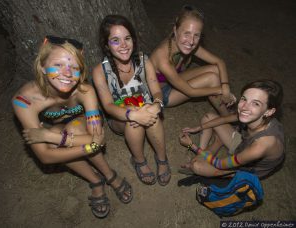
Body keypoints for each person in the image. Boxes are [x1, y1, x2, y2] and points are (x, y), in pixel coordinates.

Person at [12, 35, 133, 218]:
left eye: (74, 67)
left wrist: (52, 137)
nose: (68, 73)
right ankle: (95, 181)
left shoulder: (85, 91)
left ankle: (109, 175)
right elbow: (45, 156)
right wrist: (84, 144)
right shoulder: (24, 101)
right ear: (42, 66)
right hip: (64, 131)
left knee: (65, 132)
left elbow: (98, 140)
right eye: (59, 65)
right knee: (54, 139)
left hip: (81, 124)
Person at [93, 15, 171, 186]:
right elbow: (107, 106)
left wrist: (157, 104)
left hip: (146, 107)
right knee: (134, 121)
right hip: (120, 119)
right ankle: (139, 160)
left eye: (127, 38)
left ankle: (162, 158)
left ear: (133, 40)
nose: (123, 45)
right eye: (115, 40)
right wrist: (132, 114)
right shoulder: (100, 71)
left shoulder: (144, 60)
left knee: (152, 115)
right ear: (106, 45)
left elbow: (156, 89)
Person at [179, 79, 284, 179]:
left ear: (269, 111)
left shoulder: (261, 145)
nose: (244, 107)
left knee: (197, 166)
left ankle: (209, 151)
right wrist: (198, 128)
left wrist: (191, 145)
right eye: (244, 99)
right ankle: (215, 144)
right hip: (242, 143)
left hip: (246, 170)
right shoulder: (257, 117)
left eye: (256, 103)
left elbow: (219, 164)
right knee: (208, 118)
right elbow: (224, 119)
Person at [150, 5, 236, 115]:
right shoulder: (162, 58)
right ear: (175, 30)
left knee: (216, 69)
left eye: (196, 35)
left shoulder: (184, 44)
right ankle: (227, 117)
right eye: (187, 33)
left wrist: (225, 86)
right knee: (212, 79)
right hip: (161, 93)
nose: (191, 41)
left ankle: (226, 107)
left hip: (174, 81)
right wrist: (221, 90)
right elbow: (190, 91)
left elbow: (219, 62)